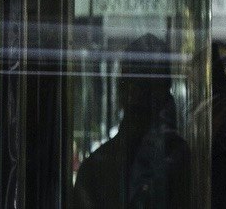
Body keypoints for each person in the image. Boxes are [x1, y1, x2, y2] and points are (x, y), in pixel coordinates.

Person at [70, 36, 192, 209]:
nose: (143, 98)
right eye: (143, 87)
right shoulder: (183, 160)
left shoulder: (95, 168)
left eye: (152, 87)